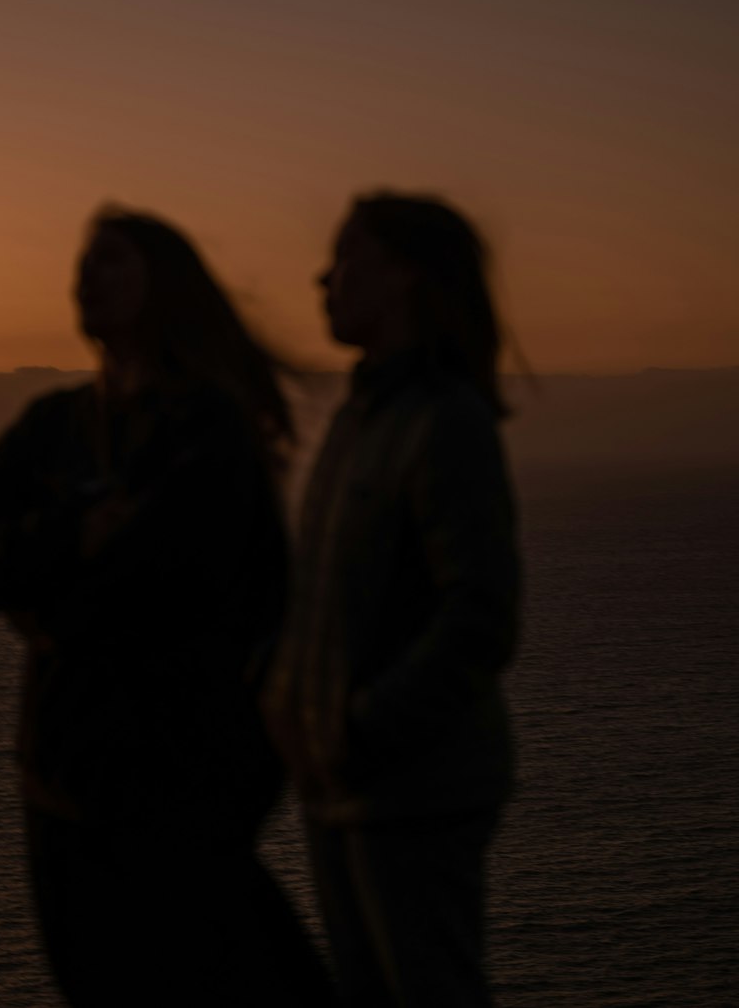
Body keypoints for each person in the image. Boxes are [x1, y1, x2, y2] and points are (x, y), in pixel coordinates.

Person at [0, 206, 333, 1006]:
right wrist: (75, 536)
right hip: (60, 784)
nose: (88, 276)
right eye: (85, 262)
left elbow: (160, 581)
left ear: (163, 286)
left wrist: (47, 594)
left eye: (114, 261)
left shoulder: (207, 430)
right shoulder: (52, 426)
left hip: (177, 785)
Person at [262, 193, 522, 1006]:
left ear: (404, 274)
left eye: (345, 258)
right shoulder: (358, 418)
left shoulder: (446, 421)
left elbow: (480, 615)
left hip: (412, 791)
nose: (322, 278)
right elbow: (322, 597)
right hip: (342, 787)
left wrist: (359, 728)